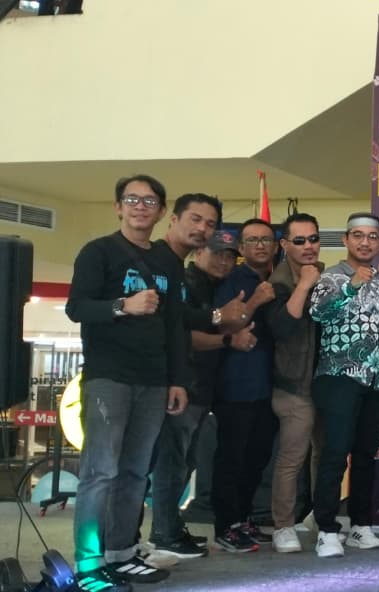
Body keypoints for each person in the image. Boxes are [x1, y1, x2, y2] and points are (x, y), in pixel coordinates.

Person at [66, 174, 190, 590]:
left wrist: (177, 379)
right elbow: (76, 308)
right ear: (118, 207)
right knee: (100, 471)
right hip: (109, 377)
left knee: (136, 472)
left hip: (154, 380)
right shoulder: (98, 251)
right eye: (132, 199)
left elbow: (175, 325)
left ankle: (121, 554)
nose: (140, 206)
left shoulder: (168, 261)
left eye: (149, 201)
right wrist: (123, 305)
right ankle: (88, 563)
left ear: (161, 211)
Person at [143, 193, 227, 562]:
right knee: (167, 463)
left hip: (195, 387)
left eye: (209, 224)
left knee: (182, 462)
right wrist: (228, 334)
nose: (223, 261)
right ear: (173, 219)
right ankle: (160, 532)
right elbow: (185, 334)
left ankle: (168, 528)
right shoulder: (176, 272)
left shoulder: (199, 281)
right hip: (171, 385)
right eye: (196, 220)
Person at [309, 212, 379, 558]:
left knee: (365, 456)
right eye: (357, 235)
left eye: (372, 237)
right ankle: (326, 529)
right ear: (345, 240)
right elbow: (318, 313)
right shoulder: (331, 276)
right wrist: (351, 286)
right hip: (339, 376)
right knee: (334, 453)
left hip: (377, 379)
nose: (364, 242)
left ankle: (360, 524)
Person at [210, 218, 280, 553]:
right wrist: (255, 301)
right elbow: (224, 324)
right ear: (241, 247)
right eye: (252, 240)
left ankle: (243, 518)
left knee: (257, 457)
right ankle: (225, 525)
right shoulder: (234, 280)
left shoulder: (273, 280)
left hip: (266, 385)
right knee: (232, 458)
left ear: (275, 246)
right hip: (235, 384)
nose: (260, 245)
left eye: (266, 240)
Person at [264, 212, 325, 553]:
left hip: (324, 382)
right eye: (299, 240)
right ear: (285, 245)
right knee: (292, 458)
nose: (308, 246)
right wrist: (303, 285)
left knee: (325, 455)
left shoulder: (325, 276)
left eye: (313, 239)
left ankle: (317, 515)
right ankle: (283, 526)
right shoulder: (277, 283)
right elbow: (282, 328)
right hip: (293, 385)